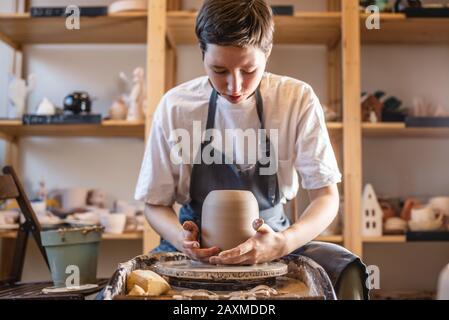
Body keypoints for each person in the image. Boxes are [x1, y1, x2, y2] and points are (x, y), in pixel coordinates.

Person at [135, 0, 368, 299]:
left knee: (347, 271)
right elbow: (154, 204)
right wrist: (183, 241)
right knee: (125, 285)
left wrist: (282, 243)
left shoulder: (295, 99)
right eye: (219, 70)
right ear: (202, 52)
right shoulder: (176, 105)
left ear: (267, 53)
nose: (235, 86)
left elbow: (326, 197)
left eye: (248, 70)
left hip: (273, 245)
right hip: (195, 252)